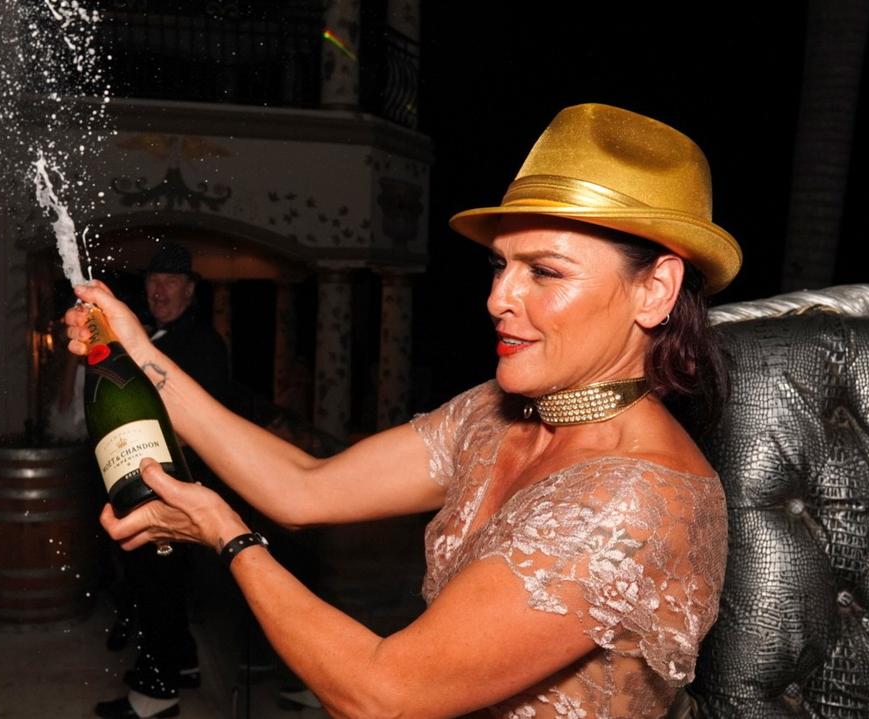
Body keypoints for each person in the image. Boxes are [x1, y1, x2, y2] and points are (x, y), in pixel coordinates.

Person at [66, 104, 739, 718]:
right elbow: (305, 485)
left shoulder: (637, 498)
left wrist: (225, 532)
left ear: (653, 289)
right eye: (499, 265)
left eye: (545, 271)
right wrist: (130, 343)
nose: (498, 297)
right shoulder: (492, 412)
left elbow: (383, 691)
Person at [95, 242, 230, 719]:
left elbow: (205, 427)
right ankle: (185, 665)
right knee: (160, 585)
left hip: (173, 488)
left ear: (190, 291)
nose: (160, 290)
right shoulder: (153, 337)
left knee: (158, 587)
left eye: (171, 282)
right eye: (153, 282)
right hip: (153, 482)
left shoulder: (202, 345)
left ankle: (156, 696)